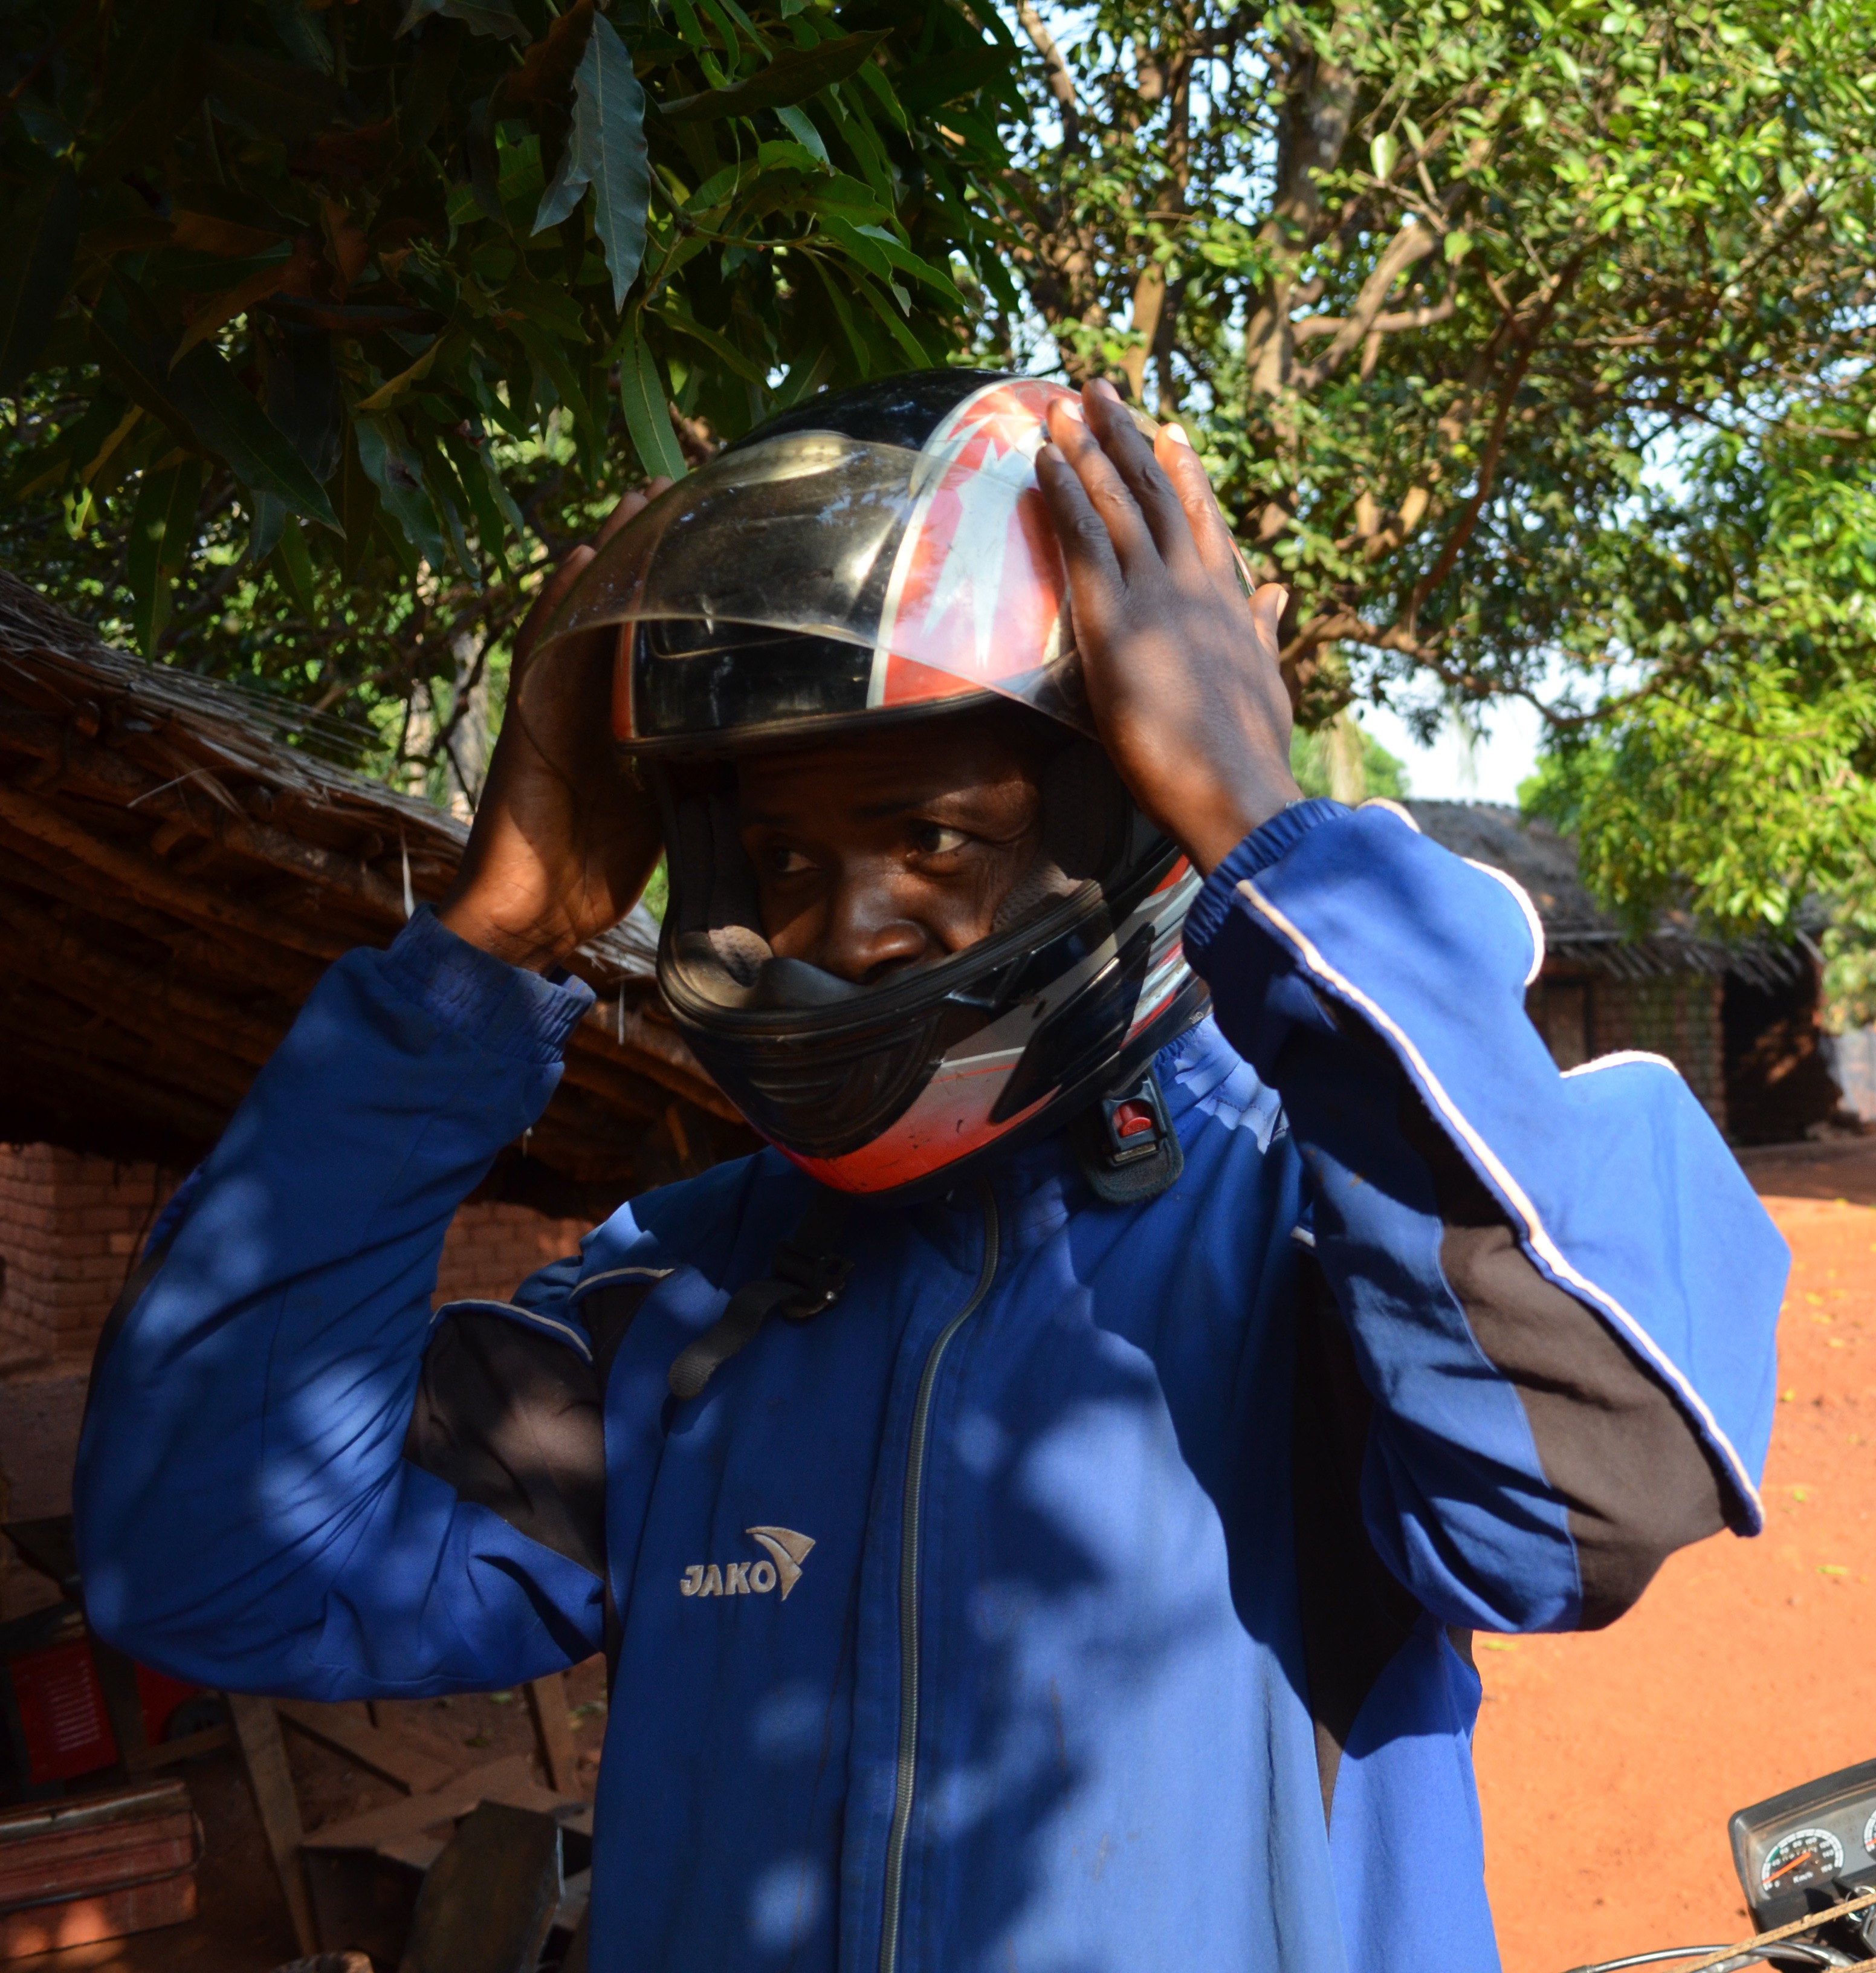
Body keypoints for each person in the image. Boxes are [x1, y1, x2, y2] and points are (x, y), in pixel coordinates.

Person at [72, 374, 1785, 1972]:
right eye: (788, 856)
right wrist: (487, 946)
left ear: (1121, 824)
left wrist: (1266, 819)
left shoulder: (1318, 1234)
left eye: (937, 840)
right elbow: (214, 1558)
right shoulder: (683, 1300)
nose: (847, 924)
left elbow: (1588, 1495)